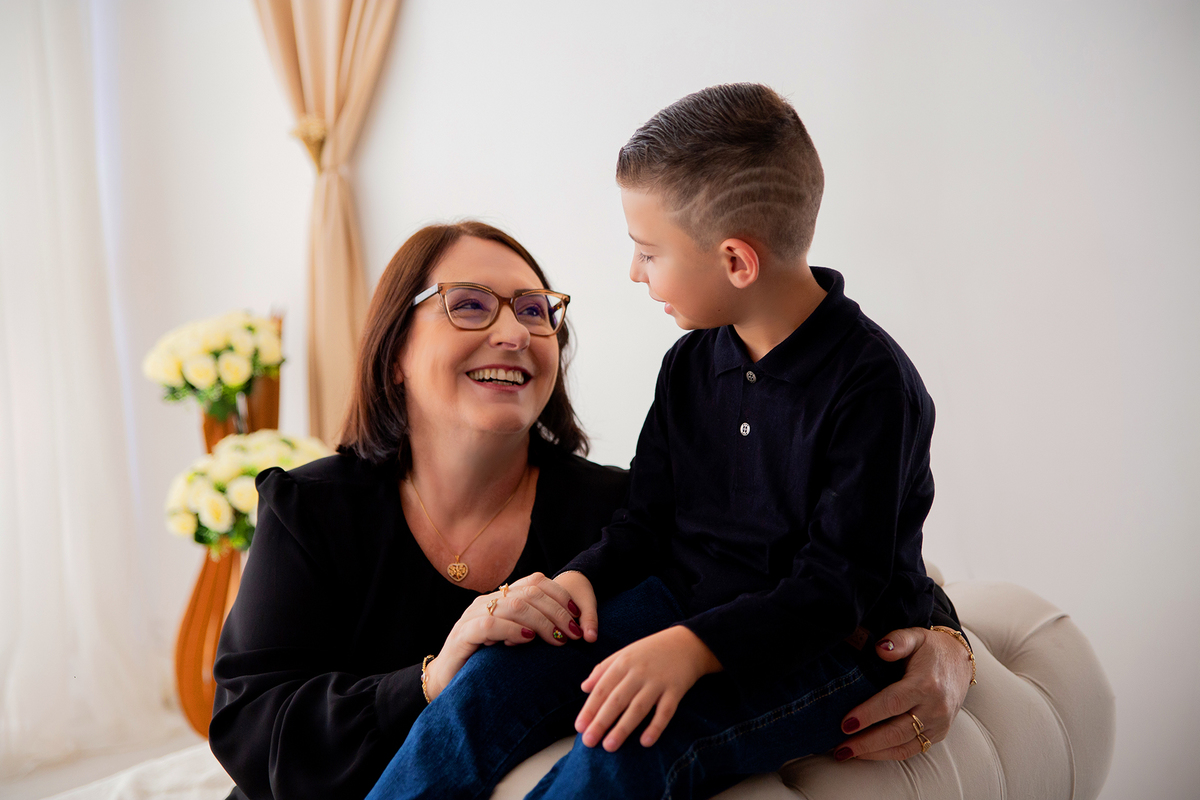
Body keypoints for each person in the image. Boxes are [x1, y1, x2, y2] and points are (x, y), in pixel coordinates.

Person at [210, 220, 972, 800]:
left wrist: (945, 637)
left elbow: (832, 552)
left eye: (536, 310)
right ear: (394, 350)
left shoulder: (613, 512)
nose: (513, 330)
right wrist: (434, 677)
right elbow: (246, 731)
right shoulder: (309, 509)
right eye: (469, 306)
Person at [365, 84, 975, 800]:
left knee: (628, 748)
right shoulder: (690, 364)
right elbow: (645, 524)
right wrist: (580, 580)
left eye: (647, 252)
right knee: (489, 682)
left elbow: (836, 590)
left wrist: (692, 650)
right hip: (679, 603)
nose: (633, 272)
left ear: (736, 262)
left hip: (825, 648)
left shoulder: (872, 387)